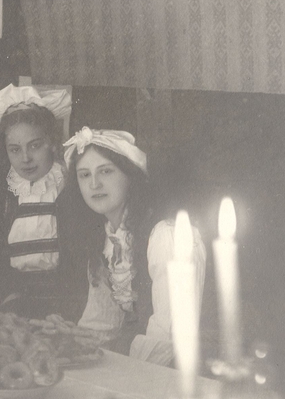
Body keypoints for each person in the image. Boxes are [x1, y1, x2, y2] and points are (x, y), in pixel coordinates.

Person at [0, 84, 96, 319]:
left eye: (34, 146)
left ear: (52, 142)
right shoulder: (1, 197)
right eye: (15, 150)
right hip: (14, 310)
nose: (25, 158)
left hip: (69, 310)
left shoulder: (71, 188)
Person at [63, 127, 207, 365]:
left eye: (106, 171)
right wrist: (71, 354)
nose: (94, 184)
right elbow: (100, 324)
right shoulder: (106, 239)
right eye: (84, 175)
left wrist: (131, 376)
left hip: (190, 365)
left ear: (130, 175)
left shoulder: (166, 235)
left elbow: (168, 333)